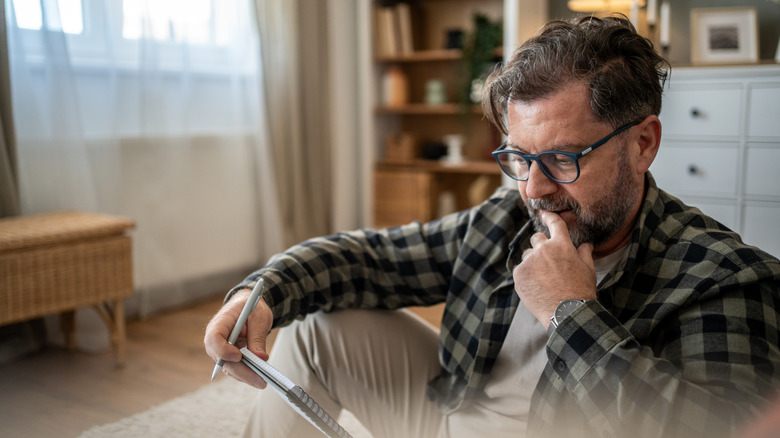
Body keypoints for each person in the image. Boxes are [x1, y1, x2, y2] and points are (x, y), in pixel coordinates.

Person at [204, 15, 780, 438]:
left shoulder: (724, 279)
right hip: (452, 417)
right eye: (519, 158)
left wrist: (571, 313)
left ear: (643, 144)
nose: (532, 188)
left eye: (562, 159)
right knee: (312, 329)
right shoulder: (503, 216)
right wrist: (262, 294)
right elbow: (371, 260)